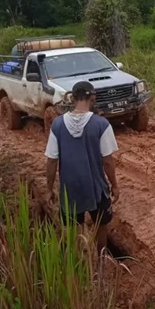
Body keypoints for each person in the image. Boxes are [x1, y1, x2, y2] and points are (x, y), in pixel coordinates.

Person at [44, 80, 120, 255]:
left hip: (69, 188)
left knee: (74, 229)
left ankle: (80, 265)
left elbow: (51, 161)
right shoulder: (101, 124)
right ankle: (100, 262)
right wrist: (114, 185)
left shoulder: (57, 125)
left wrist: (49, 189)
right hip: (96, 187)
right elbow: (107, 161)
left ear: (72, 98)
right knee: (101, 224)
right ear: (92, 98)